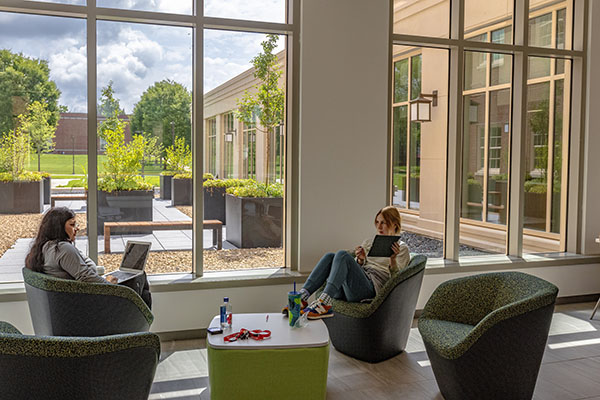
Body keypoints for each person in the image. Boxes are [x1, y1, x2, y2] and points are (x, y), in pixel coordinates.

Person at [292, 206, 410, 320]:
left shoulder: (402, 248)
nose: (379, 226)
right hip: (353, 287)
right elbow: (355, 271)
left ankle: (324, 302)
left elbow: (398, 281)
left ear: (394, 223)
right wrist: (360, 260)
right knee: (330, 256)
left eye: (383, 222)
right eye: (377, 222)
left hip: (370, 290)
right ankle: (303, 296)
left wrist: (393, 259)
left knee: (342, 254)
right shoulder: (370, 242)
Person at [24, 207, 152, 308]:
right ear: (59, 227)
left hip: (69, 300)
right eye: (72, 224)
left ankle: (138, 327)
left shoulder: (45, 247)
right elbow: (86, 277)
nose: (77, 228)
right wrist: (109, 285)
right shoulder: (62, 249)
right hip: (86, 302)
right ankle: (140, 326)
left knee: (132, 279)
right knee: (139, 277)